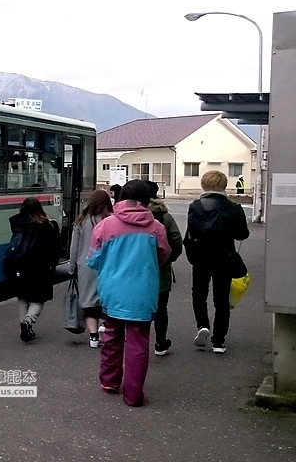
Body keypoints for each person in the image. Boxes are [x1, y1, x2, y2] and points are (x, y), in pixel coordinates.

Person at [87, 180, 171, 407]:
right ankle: (133, 395)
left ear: (120, 198)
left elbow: (93, 260)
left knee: (112, 337)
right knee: (138, 343)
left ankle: (109, 381)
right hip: (143, 294)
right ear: (146, 201)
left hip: (112, 292)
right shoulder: (155, 227)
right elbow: (164, 256)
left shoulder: (105, 226)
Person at [184, 170, 250, 354]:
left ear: (204, 185)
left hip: (200, 258)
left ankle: (202, 325)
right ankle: (219, 342)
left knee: (199, 294)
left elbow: (191, 232)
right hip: (224, 257)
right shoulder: (233, 207)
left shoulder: (195, 206)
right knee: (221, 300)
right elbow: (242, 234)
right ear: (224, 185)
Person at [7, 197, 60, 343]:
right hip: (39, 269)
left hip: (19, 267)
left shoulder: (16, 224)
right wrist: (53, 264)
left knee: (23, 298)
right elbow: (53, 249)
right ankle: (28, 322)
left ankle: (25, 327)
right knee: (38, 299)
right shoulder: (46, 226)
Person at [69, 189, 113, 348]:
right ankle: (107, 327)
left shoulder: (81, 221)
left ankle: (93, 337)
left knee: (88, 301)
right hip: (108, 266)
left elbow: (74, 247)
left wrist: (72, 267)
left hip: (86, 266)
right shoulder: (111, 220)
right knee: (107, 299)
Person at [143, 180, 183, 357]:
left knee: (139, 308)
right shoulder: (164, 216)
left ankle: (139, 342)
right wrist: (169, 259)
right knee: (161, 308)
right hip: (161, 269)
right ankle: (160, 342)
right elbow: (176, 240)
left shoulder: (133, 214)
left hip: (137, 270)